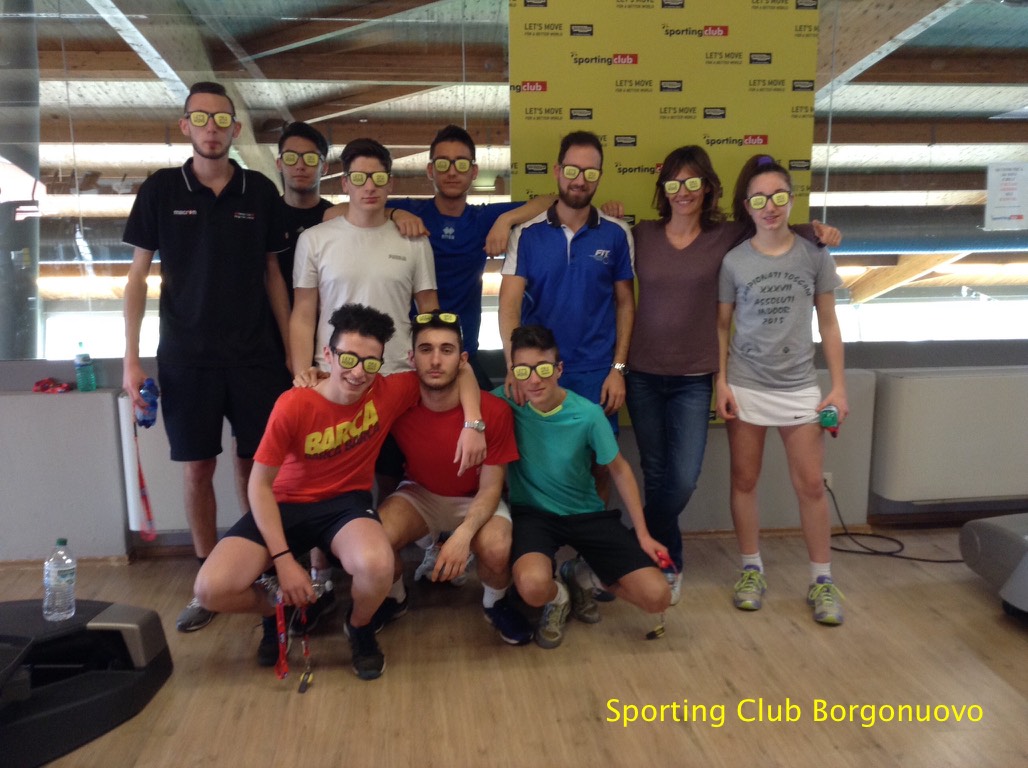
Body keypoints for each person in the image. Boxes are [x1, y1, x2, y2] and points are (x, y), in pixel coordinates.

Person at [193, 303, 486, 681]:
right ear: (328, 355)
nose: (358, 372)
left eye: (370, 362)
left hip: (345, 505)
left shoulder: (389, 390)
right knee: (211, 589)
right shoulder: (294, 403)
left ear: (382, 363)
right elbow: (259, 485)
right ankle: (277, 609)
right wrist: (284, 562)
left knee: (378, 565)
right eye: (348, 358)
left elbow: (460, 369)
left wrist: (473, 424)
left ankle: (359, 626)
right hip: (285, 504)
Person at [624, 145, 841, 605]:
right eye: (674, 183)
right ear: (663, 188)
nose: (683, 191)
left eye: (692, 182)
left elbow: (775, 228)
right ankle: (668, 561)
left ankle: (629, 545)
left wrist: (817, 230)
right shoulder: (641, 233)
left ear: (707, 188)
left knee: (682, 478)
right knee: (656, 473)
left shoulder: (725, 237)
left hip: (695, 377)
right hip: (644, 373)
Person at [121, 81, 292, 634]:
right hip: (185, 358)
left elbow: (274, 277)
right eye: (201, 118)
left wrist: (293, 355)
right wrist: (130, 360)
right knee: (198, 468)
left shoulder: (259, 191)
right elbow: (138, 277)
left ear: (236, 129)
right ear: (185, 126)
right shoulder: (159, 189)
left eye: (222, 120)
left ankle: (258, 568)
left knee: (254, 467)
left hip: (256, 358)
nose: (212, 128)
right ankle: (207, 579)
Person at [715, 154, 849, 626]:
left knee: (811, 485)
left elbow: (829, 324)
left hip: (799, 387)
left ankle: (822, 579)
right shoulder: (733, 261)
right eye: (758, 199)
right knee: (744, 481)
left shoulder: (815, 254)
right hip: (746, 385)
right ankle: (751, 570)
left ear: (791, 200)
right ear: (746, 206)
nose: (769, 207)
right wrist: (721, 381)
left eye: (777, 197)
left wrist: (838, 388)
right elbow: (722, 326)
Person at [324, 124, 556, 387]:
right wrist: (394, 213)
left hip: (464, 350)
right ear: (430, 170)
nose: (452, 172)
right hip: (413, 353)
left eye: (461, 164)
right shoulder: (412, 210)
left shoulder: (482, 218)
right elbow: (333, 213)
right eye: (443, 164)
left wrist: (506, 220)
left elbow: (551, 201)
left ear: (474, 172)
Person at [497, 325, 670, 649]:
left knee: (657, 596)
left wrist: (643, 534)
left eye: (543, 369)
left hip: (586, 513)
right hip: (533, 514)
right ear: (513, 372)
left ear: (559, 369)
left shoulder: (588, 414)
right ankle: (559, 597)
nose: (534, 380)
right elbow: (461, 391)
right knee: (533, 587)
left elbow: (620, 470)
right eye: (523, 370)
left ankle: (580, 576)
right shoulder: (505, 401)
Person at [375, 310, 533, 645]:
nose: (435, 360)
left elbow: (491, 489)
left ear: (462, 360)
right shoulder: (399, 400)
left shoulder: (494, 411)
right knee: (375, 539)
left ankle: (495, 603)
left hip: (475, 497)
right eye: (426, 349)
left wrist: (463, 535)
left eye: (446, 350)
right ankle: (395, 598)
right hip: (420, 494)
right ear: (411, 358)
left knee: (496, 547)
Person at [499, 131, 634, 440]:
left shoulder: (617, 233)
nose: (580, 180)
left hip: (596, 372)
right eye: (572, 170)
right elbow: (508, 307)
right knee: (542, 458)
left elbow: (626, 304)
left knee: (598, 460)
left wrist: (618, 369)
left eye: (590, 173)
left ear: (600, 176)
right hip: (539, 371)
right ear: (557, 171)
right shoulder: (526, 234)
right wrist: (514, 367)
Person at [290, 137, 438, 379]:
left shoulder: (415, 241)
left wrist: (430, 368)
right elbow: (303, 314)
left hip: (396, 372)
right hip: (332, 374)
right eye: (359, 178)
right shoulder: (313, 239)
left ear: (390, 184)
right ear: (345, 184)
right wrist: (302, 374)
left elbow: (429, 311)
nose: (369, 187)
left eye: (378, 178)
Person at [276, 121, 334, 308]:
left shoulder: (336, 220)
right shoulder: (265, 215)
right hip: (268, 322)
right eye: (291, 157)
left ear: (324, 167)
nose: (300, 165)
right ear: (279, 163)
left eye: (310, 158)